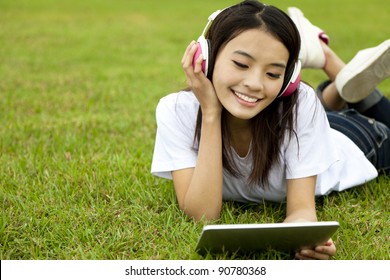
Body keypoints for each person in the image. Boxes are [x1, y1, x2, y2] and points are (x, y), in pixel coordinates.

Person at [151, 0, 390, 260]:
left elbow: (301, 210)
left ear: (289, 80)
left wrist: (305, 236)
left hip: (355, 139)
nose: (254, 84)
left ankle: (331, 64)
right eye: (241, 65)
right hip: (302, 127)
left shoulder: (300, 103)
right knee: (303, 109)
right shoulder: (176, 110)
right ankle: (336, 83)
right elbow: (202, 215)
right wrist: (211, 113)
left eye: (274, 74)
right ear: (205, 58)